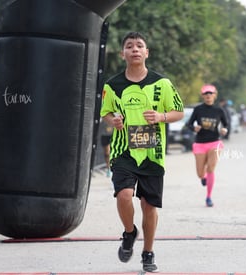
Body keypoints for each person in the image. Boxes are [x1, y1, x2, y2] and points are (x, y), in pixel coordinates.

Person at [100, 31, 184, 272]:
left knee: (149, 205)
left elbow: (178, 111)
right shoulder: (112, 85)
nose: (134, 49)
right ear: (122, 53)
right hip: (123, 150)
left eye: (139, 46)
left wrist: (161, 116)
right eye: (129, 46)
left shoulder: (162, 83)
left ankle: (148, 252)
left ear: (147, 53)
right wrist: (111, 121)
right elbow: (106, 112)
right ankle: (129, 232)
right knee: (124, 195)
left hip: (152, 152)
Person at [185, 84, 228, 208]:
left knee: (211, 168)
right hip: (200, 143)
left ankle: (208, 197)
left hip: (215, 142)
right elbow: (189, 124)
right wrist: (194, 128)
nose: (208, 96)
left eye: (210, 93)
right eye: (205, 94)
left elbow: (226, 124)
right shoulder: (198, 109)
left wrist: (224, 129)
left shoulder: (219, 110)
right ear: (203, 96)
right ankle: (203, 177)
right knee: (200, 173)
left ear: (215, 95)